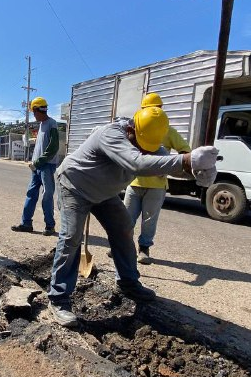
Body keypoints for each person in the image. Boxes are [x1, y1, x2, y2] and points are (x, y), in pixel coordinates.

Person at [46, 107, 219, 327]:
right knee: (71, 238)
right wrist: (186, 160)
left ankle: (128, 282)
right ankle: (58, 298)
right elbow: (137, 162)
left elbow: (164, 161)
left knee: (124, 229)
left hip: (105, 193)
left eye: (148, 148)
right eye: (140, 145)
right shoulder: (111, 134)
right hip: (74, 186)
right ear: (131, 129)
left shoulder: (148, 140)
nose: (144, 149)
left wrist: (196, 170)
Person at [124, 93, 190, 264]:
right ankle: (121, 245)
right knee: (126, 217)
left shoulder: (168, 131)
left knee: (149, 220)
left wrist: (168, 166)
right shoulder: (136, 129)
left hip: (156, 185)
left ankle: (143, 249)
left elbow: (185, 152)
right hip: (134, 182)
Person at [11, 96, 59, 236]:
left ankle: (50, 226)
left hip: (47, 166)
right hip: (36, 167)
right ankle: (26, 224)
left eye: (34, 112)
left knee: (47, 196)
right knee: (31, 194)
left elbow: (53, 147)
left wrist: (39, 161)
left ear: (38, 110)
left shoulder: (52, 124)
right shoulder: (41, 125)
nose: (33, 115)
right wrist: (34, 162)